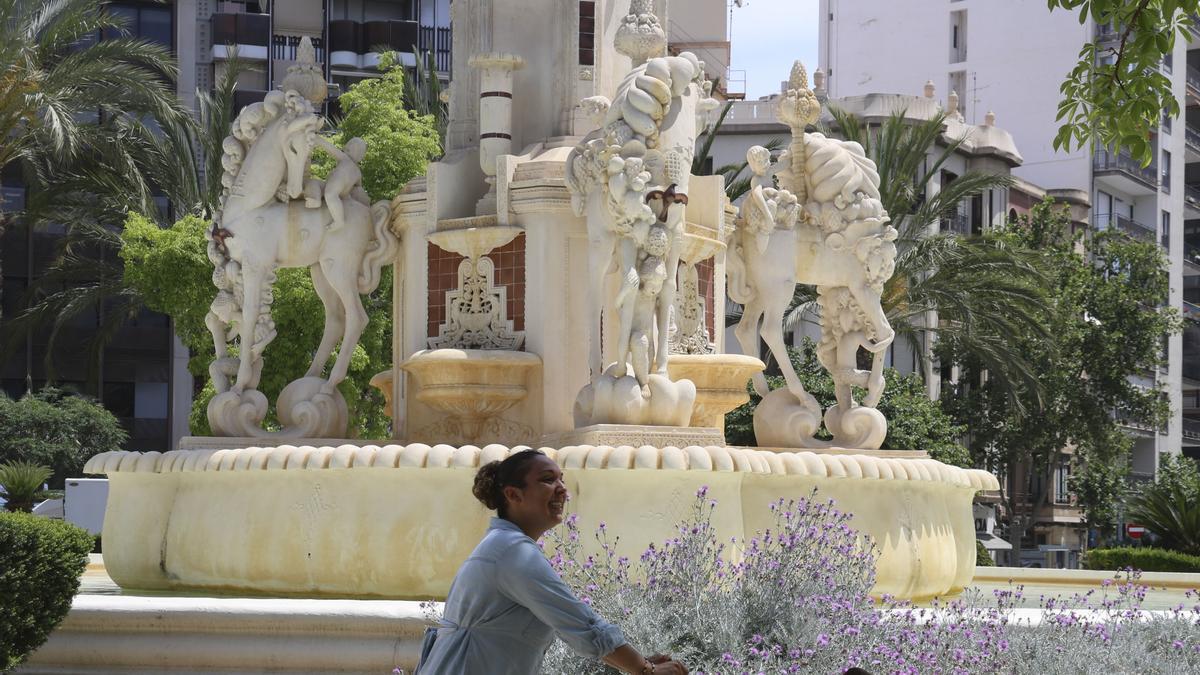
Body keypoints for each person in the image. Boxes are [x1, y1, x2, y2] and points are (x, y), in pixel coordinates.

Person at [415, 449, 688, 675]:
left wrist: (637, 664)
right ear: (513, 495)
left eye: (561, 479)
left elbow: (576, 630)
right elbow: (583, 625)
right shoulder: (510, 551)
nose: (562, 490)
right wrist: (646, 669)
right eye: (548, 480)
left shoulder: (503, 545)